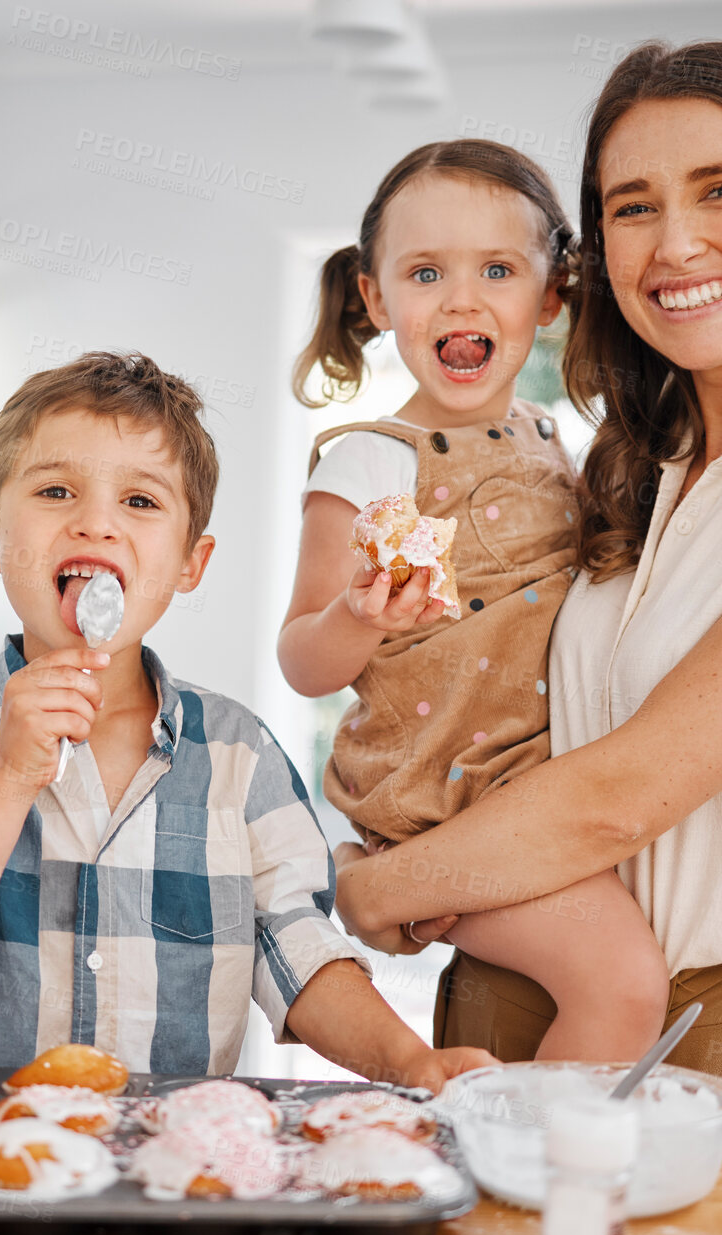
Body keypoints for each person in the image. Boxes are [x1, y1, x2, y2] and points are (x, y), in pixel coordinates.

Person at [330, 41, 722, 1110]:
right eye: (631, 207)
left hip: (692, 1035)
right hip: (494, 987)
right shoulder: (616, 474)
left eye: (720, 190)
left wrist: (369, 885)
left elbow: (620, 798)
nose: (674, 245)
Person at [0, 351, 496, 1093]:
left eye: (141, 502)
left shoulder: (240, 756)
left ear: (191, 562)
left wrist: (409, 1061)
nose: (96, 522)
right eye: (56, 490)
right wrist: (10, 777)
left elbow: (298, 953)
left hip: (173, 1174)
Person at [279, 140, 670, 1061]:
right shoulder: (368, 462)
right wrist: (360, 619)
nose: (461, 299)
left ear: (549, 296)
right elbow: (301, 661)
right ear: (376, 300)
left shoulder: (554, 436)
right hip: (441, 805)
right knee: (623, 983)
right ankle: (539, 1186)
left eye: (496, 269)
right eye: (425, 273)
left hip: (540, 785)